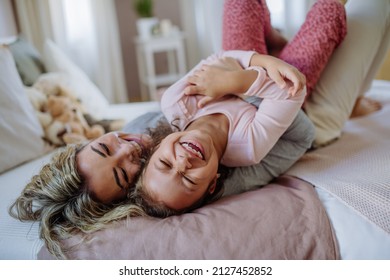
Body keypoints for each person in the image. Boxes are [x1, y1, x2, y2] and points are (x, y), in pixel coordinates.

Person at [9, 0, 389, 258]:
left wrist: (249, 64)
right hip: (295, 112)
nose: (130, 149)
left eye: (105, 148)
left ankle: (278, 47)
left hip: (245, 79)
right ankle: (334, 89)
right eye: (126, 174)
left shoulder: (165, 122)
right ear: (130, 194)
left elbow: (205, 72)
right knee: (359, 10)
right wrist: (243, 81)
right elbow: (297, 126)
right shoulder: (214, 172)